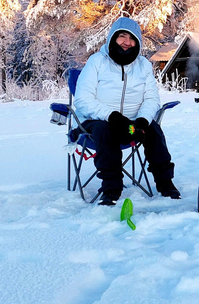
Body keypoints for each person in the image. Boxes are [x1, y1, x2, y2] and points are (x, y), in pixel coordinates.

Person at [74, 17, 180, 205]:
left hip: (131, 126)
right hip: (98, 121)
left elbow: (151, 98)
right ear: (112, 38)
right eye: (122, 36)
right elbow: (83, 100)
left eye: (132, 38)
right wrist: (112, 116)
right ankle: (111, 189)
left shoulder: (144, 65)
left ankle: (165, 183)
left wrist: (142, 121)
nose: (127, 42)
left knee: (153, 130)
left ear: (137, 42)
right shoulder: (97, 62)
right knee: (104, 130)